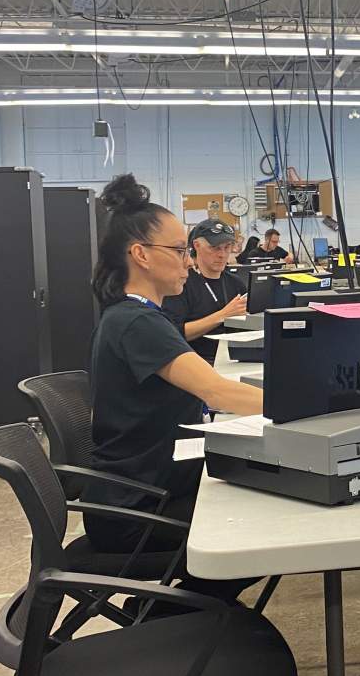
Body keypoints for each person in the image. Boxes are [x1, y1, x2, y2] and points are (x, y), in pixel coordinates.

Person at [86, 174, 267, 602]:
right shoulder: (137, 322)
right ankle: (168, 616)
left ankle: (173, 612)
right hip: (138, 508)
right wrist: (316, 408)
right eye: (180, 250)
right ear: (141, 255)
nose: (188, 262)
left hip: (149, 486)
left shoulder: (137, 315)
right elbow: (219, 394)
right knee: (261, 530)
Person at [161, 219, 248, 365]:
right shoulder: (181, 285)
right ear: (197, 245)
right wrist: (222, 315)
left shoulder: (236, 283)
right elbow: (173, 334)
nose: (222, 254)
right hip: (197, 362)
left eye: (227, 247)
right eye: (215, 248)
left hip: (235, 359)